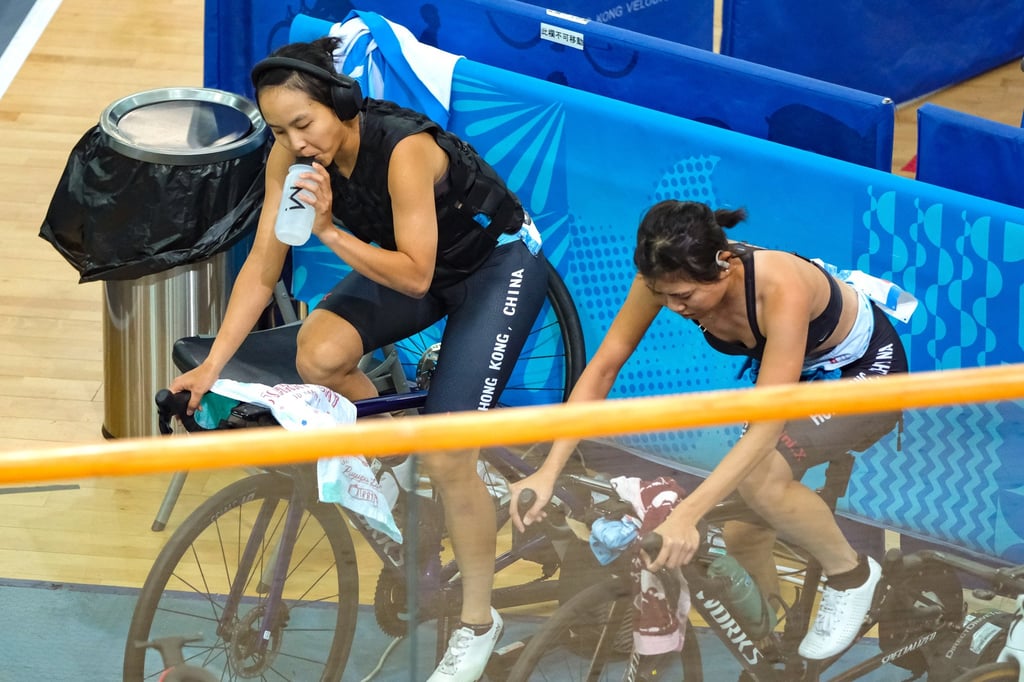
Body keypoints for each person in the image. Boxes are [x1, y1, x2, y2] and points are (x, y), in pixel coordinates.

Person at [170, 37, 549, 682]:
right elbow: (263, 268)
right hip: (419, 268)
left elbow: (414, 275)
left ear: (341, 106)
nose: (295, 142)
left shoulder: (404, 151)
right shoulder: (288, 160)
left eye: (304, 123)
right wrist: (212, 367)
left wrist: (328, 231)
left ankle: (480, 624)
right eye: (279, 130)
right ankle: (402, 471)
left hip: (494, 267)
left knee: (451, 450)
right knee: (316, 354)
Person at [511, 199, 909, 660]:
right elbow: (603, 368)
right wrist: (549, 468)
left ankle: (852, 575)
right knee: (744, 536)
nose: (674, 307)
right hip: (798, 373)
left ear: (723, 266)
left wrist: (687, 515)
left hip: (861, 372)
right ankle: (771, 655)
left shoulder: (780, 286)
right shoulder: (662, 276)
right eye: (664, 296)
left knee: (762, 479)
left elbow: (765, 428)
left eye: (684, 297)